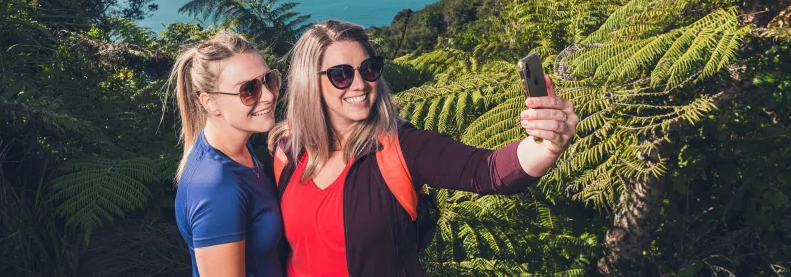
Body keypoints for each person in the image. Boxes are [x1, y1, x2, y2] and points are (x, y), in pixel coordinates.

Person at [270, 20, 577, 277]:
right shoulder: (288, 152)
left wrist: (549, 144)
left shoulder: (400, 147)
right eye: (341, 75)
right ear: (311, 83)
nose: (360, 84)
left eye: (369, 69)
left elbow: (489, 170)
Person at [169, 32, 285, 277]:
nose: (269, 95)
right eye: (248, 89)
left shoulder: (239, 150)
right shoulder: (215, 185)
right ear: (210, 102)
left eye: (269, 80)